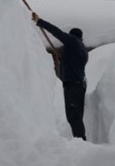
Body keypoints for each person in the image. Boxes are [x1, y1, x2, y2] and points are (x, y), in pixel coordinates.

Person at [32, 12, 88, 141]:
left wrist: (39, 21)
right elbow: (74, 63)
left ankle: (81, 140)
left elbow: (56, 31)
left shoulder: (72, 41)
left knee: (73, 115)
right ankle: (81, 138)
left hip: (72, 84)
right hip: (80, 84)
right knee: (77, 114)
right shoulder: (82, 48)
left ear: (71, 35)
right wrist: (62, 60)